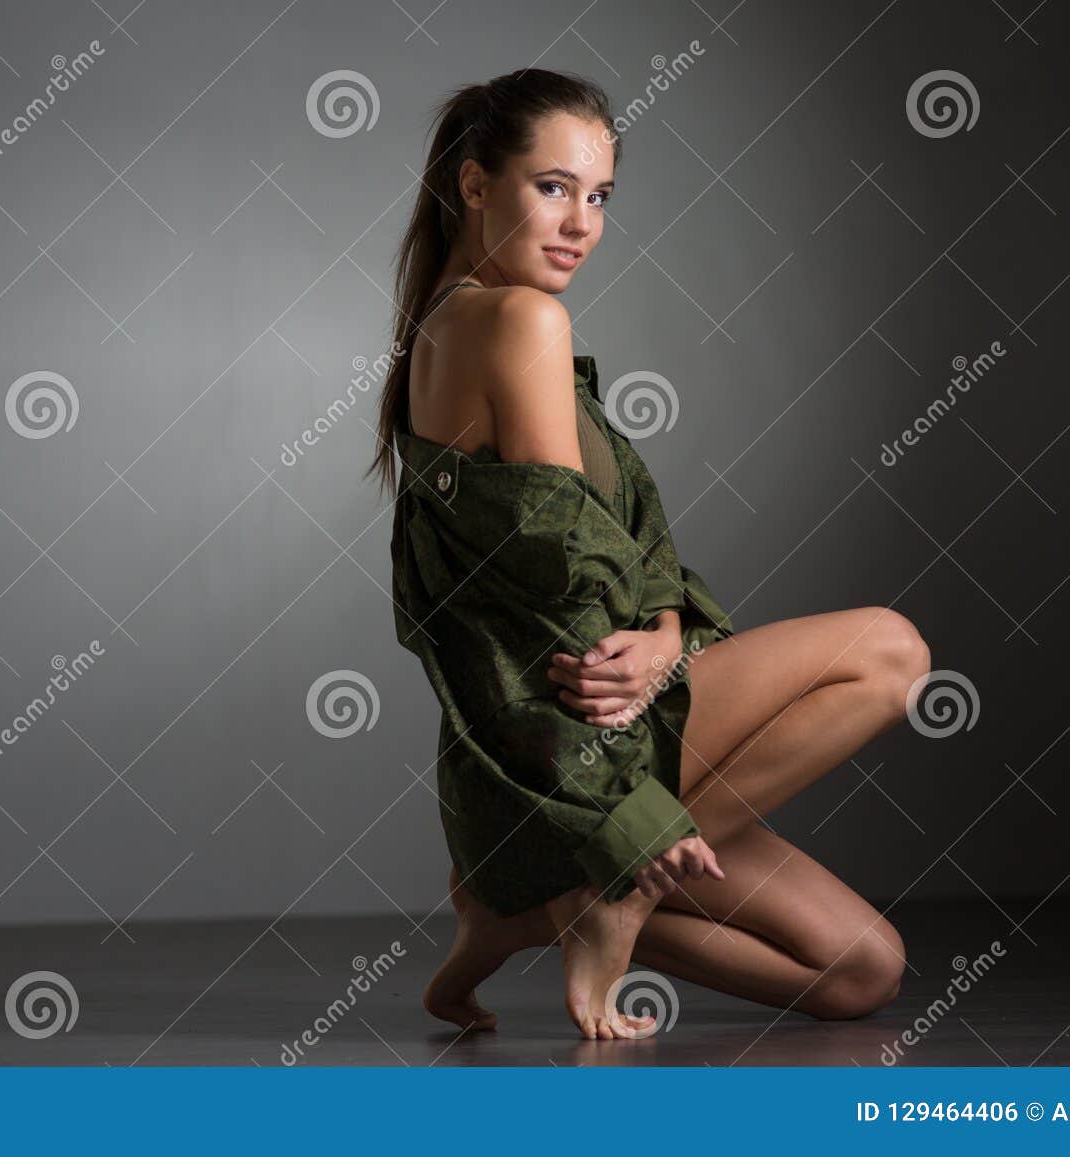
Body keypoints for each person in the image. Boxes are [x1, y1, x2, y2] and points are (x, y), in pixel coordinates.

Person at [366, 68, 930, 1040]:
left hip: (550, 752)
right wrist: (645, 675)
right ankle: (608, 885)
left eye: (600, 196)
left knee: (859, 971)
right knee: (891, 652)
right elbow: (572, 581)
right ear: (472, 184)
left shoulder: (451, 324)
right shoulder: (517, 320)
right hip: (573, 736)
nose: (581, 221)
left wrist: (667, 631)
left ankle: (525, 908)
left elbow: (618, 546)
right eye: (552, 186)